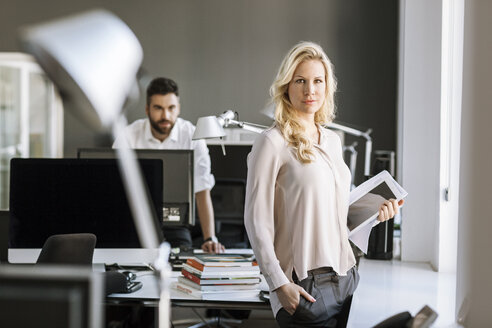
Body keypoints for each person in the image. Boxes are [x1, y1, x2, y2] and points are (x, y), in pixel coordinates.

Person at [244, 41, 403, 327]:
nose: (310, 90)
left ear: (327, 86)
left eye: (318, 81)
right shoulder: (271, 142)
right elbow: (256, 222)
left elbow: (335, 217)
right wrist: (280, 285)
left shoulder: (332, 140)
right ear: (286, 86)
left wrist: (374, 214)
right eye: (301, 81)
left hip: (346, 279)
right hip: (303, 287)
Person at [113, 77, 224, 253]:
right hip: (134, 221)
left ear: (178, 108)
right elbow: (114, 188)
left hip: (176, 225)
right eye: (158, 108)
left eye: (171, 108)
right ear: (147, 109)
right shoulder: (128, 136)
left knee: (181, 263)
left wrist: (210, 238)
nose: (165, 116)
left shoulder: (193, 135)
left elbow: (202, 191)